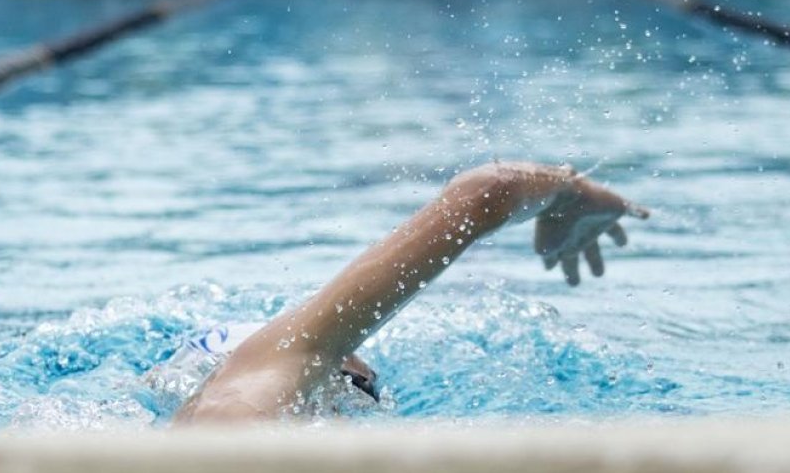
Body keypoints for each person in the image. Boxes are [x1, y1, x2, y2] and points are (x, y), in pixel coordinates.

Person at [173, 161, 648, 423]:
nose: (364, 376)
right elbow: (486, 191)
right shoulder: (244, 408)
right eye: (351, 379)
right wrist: (571, 191)